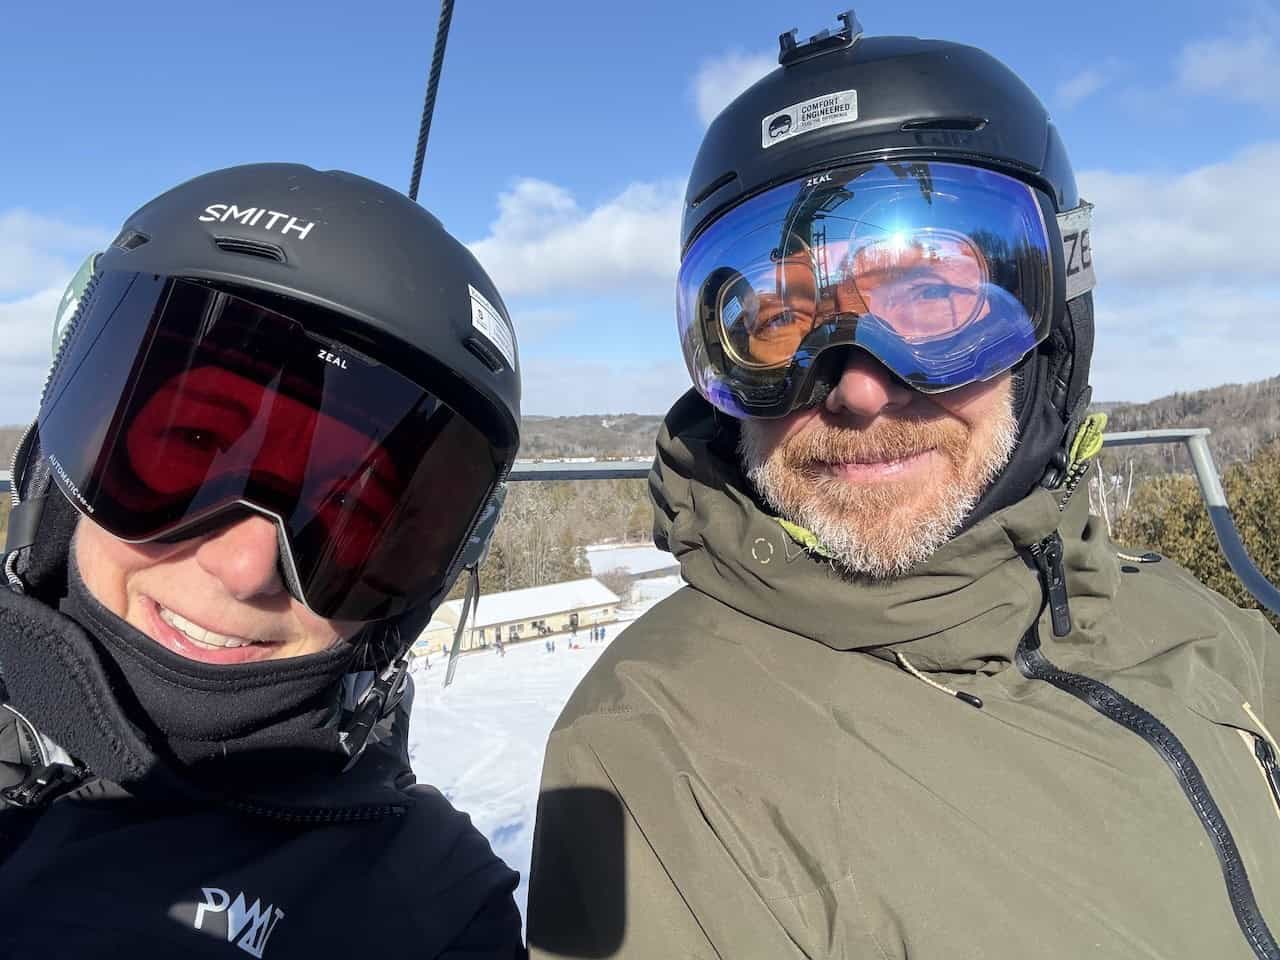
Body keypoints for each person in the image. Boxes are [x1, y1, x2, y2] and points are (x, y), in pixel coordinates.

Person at [528, 14, 1280, 960]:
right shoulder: (655, 756)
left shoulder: (1188, 615)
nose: (857, 385)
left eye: (929, 297)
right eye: (776, 325)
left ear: (1053, 318)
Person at [0, 164, 526, 957]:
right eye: (194, 447)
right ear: (61, 465)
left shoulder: (422, 901)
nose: (246, 567)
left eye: (349, 516)